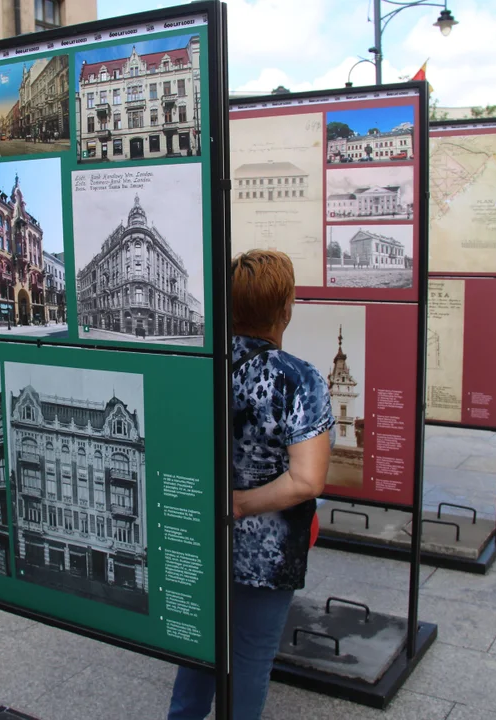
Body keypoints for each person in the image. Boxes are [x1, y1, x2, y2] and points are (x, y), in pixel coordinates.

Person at [167, 249, 334, 720]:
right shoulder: (297, 378)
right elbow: (307, 479)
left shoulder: (197, 365)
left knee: (198, 653)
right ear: (286, 308)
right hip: (269, 553)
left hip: (197, 541)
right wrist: (239, 504)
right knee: (250, 661)